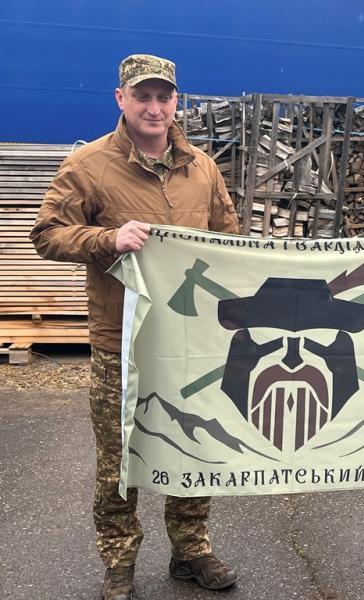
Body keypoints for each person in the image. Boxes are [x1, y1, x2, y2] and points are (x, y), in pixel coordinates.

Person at [31, 54, 241, 600]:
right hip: (121, 340)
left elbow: (230, 238)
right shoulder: (89, 165)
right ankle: (119, 562)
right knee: (119, 457)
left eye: (163, 97)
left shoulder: (201, 167)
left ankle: (191, 550)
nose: (154, 108)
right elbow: (47, 234)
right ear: (121, 99)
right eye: (142, 96)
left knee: (194, 446)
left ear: (176, 102)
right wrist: (107, 239)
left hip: (190, 340)